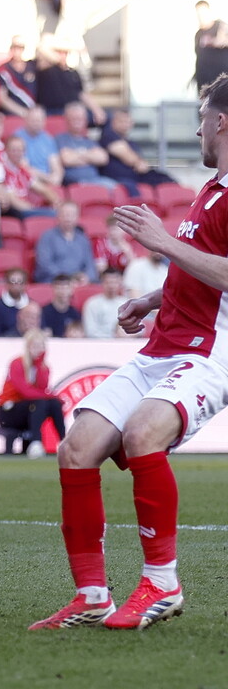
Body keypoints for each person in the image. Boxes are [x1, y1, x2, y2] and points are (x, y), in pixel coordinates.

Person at [30, 77, 228, 631]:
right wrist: (149, 298)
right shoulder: (211, 190)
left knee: (143, 434)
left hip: (210, 354)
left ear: (222, 122)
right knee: (77, 447)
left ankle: (163, 584)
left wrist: (163, 243)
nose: (195, 128)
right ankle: (92, 595)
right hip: (163, 346)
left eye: (201, 116)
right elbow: (199, 270)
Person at [0, 328, 66, 458]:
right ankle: (36, 442)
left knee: (54, 404)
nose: (38, 349)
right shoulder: (17, 363)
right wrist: (51, 395)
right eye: (34, 345)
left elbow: (42, 388)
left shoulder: (44, 367)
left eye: (41, 346)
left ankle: (65, 442)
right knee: (40, 402)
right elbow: (26, 392)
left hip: (29, 409)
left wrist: (39, 364)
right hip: (9, 409)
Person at [35, 200, 98, 284]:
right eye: (65, 214)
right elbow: (45, 264)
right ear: (58, 217)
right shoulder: (47, 237)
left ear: (77, 218)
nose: (68, 218)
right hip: (54, 281)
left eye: (72, 215)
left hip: (78, 282)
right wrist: (66, 278)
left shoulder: (83, 239)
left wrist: (87, 277)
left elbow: (90, 264)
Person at [82, 266, 127, 338]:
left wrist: (128, 335)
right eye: (108, 282)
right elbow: (90, 331)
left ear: (120, 283)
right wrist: (112, 337)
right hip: (99, 344)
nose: (111, 286)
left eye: (114, 282)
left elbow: (140, 330)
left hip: (123, 342)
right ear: (102, 283)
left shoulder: (126, 303)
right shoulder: (92, 303)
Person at [0, 267, 33, 338]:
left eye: (20, 282)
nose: (16, 285)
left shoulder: (32, 306)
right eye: (13, 282)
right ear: (7, 283)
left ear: (25, 284)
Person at [41, 273, 83, 337]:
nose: (63, 292)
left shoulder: (75, 313)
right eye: (59, 288)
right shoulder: (44, 312)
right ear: (53, 289)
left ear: (72, 290)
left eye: (66, 288)